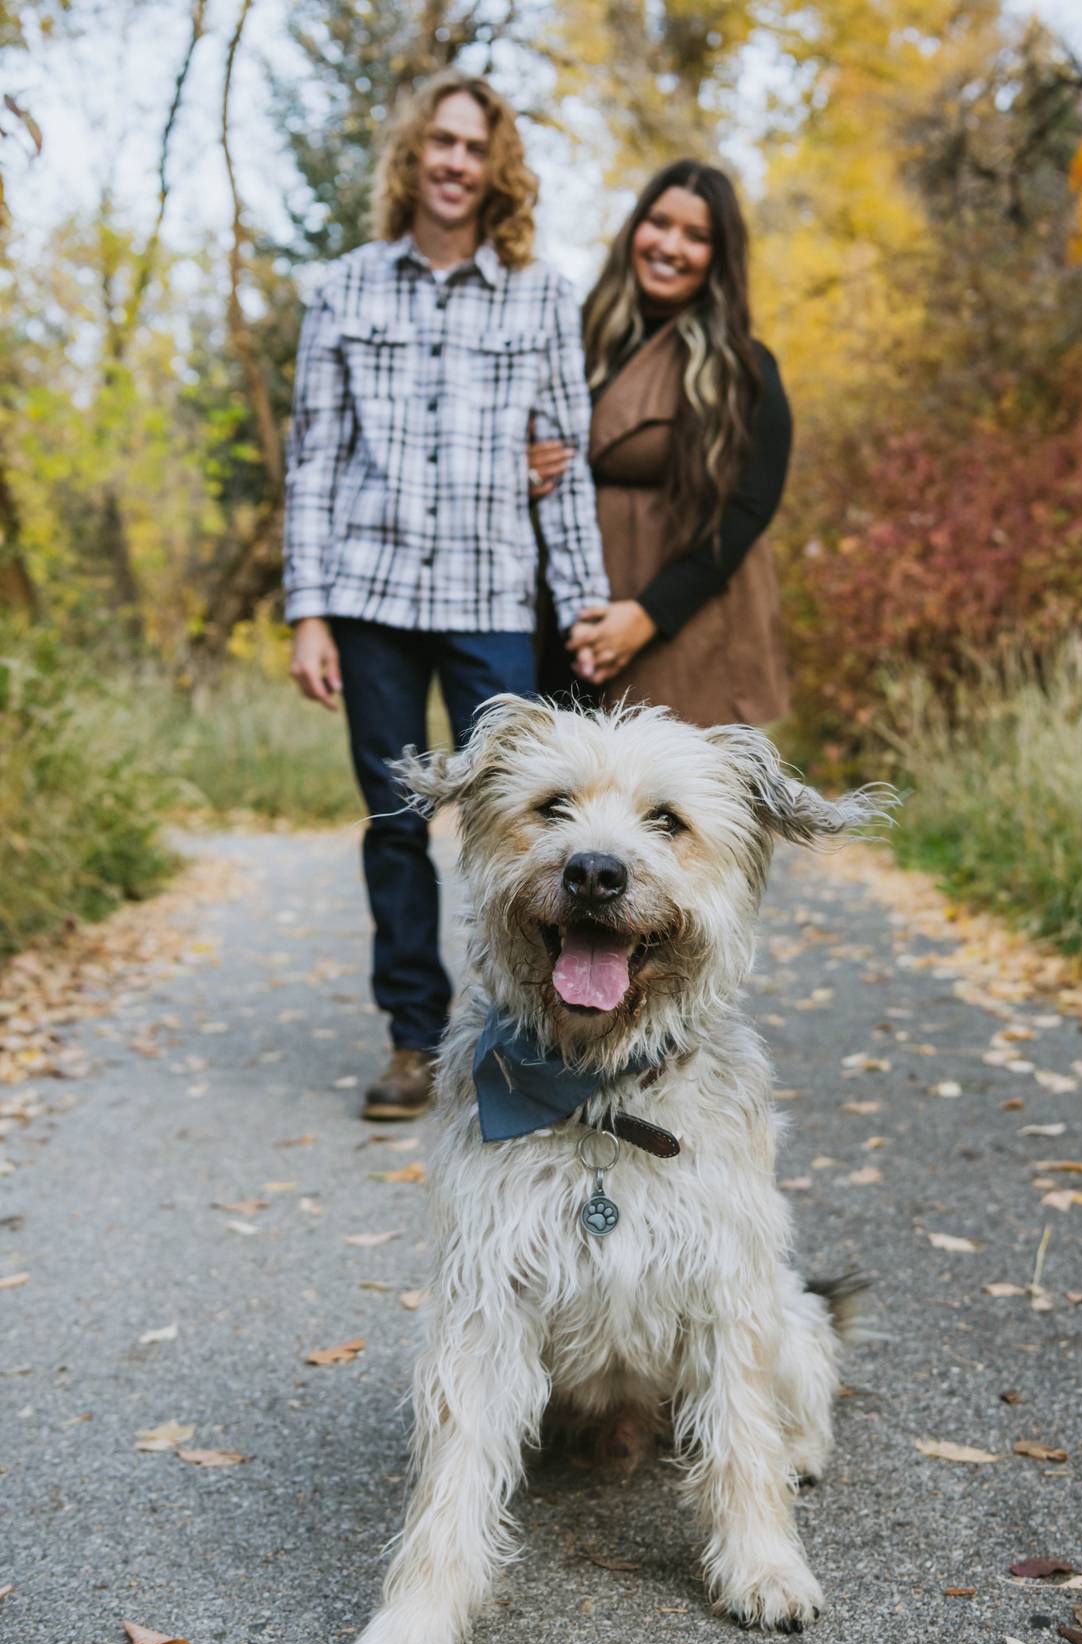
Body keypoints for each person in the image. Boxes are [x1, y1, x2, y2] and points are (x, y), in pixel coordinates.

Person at [284, 70, 609, 1120]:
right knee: (394, 822)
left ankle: (524, 1031)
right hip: (370, 593)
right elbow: (313, 461)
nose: (456, 163)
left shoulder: (541, 295)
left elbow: (566, 466)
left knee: (518, 821)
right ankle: (412, 1038)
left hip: (490, 598)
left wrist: (587, 602)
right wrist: (308, 612)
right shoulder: (344, 289)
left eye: (475, 147)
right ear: (412, 155)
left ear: (495, 167)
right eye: (442, 143)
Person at [531, 160, 791, 727]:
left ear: (719, 257)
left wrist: (649, 614)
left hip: (685, 620)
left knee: (668, 778)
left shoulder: (743, 368)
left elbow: (750, 507)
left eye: (696, 236)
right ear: (635, 229)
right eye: (659, 223)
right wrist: (522, 466)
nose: (670, 246)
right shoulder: (569, 340)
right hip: (568, 609)